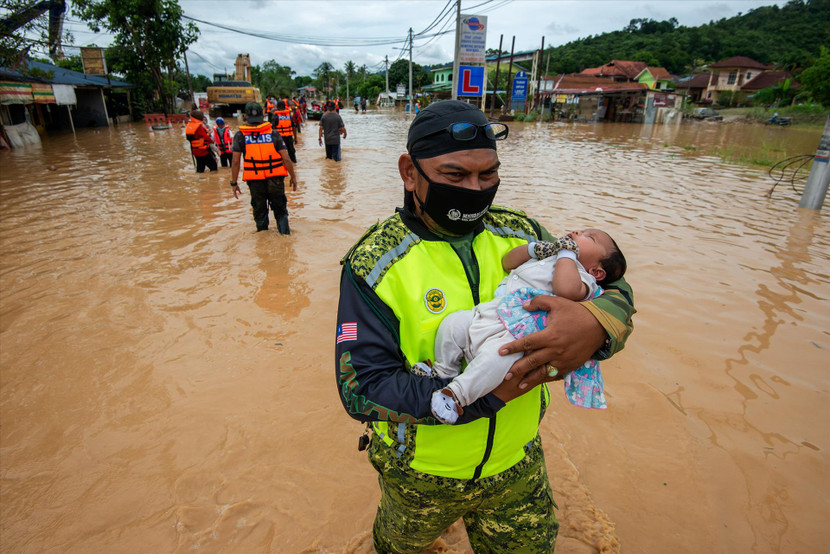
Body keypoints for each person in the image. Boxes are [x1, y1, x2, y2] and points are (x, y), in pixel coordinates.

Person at [334, 100, 635, 552]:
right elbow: (361, 387)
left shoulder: (523, 234)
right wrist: (489, 396)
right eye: (455, 176)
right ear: (409, 172)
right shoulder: (374, 263)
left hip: (517, 465)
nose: (475, 189)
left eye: (488, 174)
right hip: (419, 475)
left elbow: (612, 284)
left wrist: (597, 326)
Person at [420, 229, 627, 424]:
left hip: (516, 333)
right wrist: (534, 249)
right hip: (492, 312)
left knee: (497, 358)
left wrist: (567, 255)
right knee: (454, 324)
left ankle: (456, 395)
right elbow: (508, 262)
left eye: (589, 237)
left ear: (597, 272)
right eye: (581, 230)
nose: (576, 232)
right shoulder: (549, 256)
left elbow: (565, 290)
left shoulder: (584, 278)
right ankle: (444, 370)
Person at [230, 102, 298, 234]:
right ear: (263, 115)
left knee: (260, 211)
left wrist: (234, 182)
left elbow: (235, 161)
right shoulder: (274, 134)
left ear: (245, 116)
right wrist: (293, 177)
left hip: (255, 181)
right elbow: (286, 158)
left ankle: (263, 243)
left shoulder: (240, 136)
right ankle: (285, 238)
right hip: (276, 179)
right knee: (280, 211)